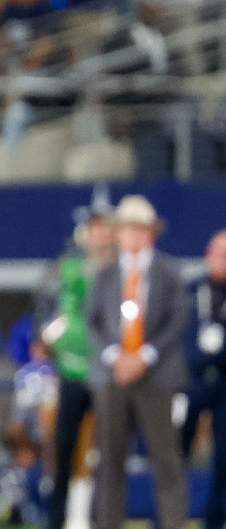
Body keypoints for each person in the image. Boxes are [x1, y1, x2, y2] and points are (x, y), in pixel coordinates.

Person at [87, 195, 188, 529]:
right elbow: (94, 321)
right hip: (113, 374)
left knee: (165, 458)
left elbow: (178, 317)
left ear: (149, 233)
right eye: (124, 228)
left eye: (136, 228)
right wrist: (115, 356)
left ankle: (173, 523)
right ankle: (107, 523)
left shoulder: (169, 272)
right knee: (110, 459)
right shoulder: (105, 274)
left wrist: (145, 355)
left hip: (156, 374)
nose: (130, 235)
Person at [42, 203, 116, 529]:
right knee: (64, 448)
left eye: (104, 228)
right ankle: (58, 518)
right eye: (94, 228)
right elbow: (55, 307)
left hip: (106, 372)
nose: (99, 234)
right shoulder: (69, 267)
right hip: (71, 370)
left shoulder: (119, 270)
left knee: (107, 450)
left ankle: (98, 517)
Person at [181, 229, 226, 529]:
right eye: (219, 254)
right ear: (208, 255)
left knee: (223, 460)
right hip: (190, 381)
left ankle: (214, 520)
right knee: (174, 454)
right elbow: (179, 334)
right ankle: (167, 519)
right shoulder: (192, 289)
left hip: (224, 381)